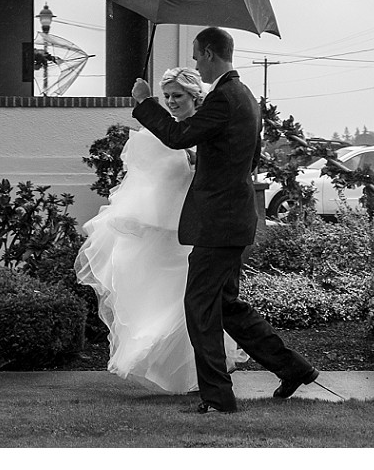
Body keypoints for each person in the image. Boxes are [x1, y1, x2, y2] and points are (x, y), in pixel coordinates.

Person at [131, 27, 318, 414]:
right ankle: (294, 368)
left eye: (198, 56)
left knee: (199, 306)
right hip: (235, 217)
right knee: (226, 306)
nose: (196, 63)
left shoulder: (222, 98)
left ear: (211, 53)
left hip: (219, 222)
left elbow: (179, 135)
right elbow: (247, 157)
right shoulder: (245, 96)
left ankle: (218, 397)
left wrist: (145, 102)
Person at [75, 67, 247, 394]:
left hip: (197, 234)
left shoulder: (206, 132)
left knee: (194, 308)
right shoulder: (153, 135)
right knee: (170, 304)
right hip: (165, 235)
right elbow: (144, 184)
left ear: (196, 97)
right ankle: (176, 375)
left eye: (178, 96)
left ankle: (199, 378)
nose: (171, 102)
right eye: (166, 96)